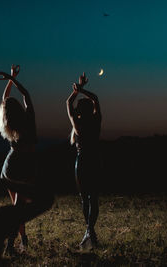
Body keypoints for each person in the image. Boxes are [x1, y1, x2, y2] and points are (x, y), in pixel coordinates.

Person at [0, 65, 38, 253]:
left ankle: (23, 239)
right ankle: (11, 246)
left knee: (16, 208)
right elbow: (26, 94)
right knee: (17, 210)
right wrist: (13, 79)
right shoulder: (29, 118)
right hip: (24, 167)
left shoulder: (9, 124)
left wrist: (10, 79)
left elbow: (4, 101)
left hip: (9, 166)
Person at [66, 72, 102, 248]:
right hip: (94, 161)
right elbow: (96, 99)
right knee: (92, 198)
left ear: (79, 111)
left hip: (81, 162)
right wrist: (83, 89)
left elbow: (67, 104)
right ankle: (89, 231)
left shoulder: (77, 125)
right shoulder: (96, 121)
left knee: (85, 199)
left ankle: (89, 231)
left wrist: (76, 92)